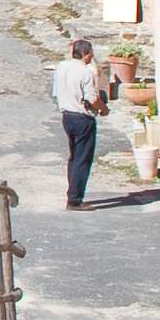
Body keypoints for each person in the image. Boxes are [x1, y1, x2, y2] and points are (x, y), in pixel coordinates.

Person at [52, 38, 104, 209]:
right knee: (82, 159)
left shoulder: (62, 67)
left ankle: (72, 192)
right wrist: (104, 109)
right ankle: (75, 199)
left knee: (74, 157)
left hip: (67, 116)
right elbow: (92, 99)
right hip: (82, 118)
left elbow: (56, 92)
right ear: (86, 54)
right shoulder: (85, 72)